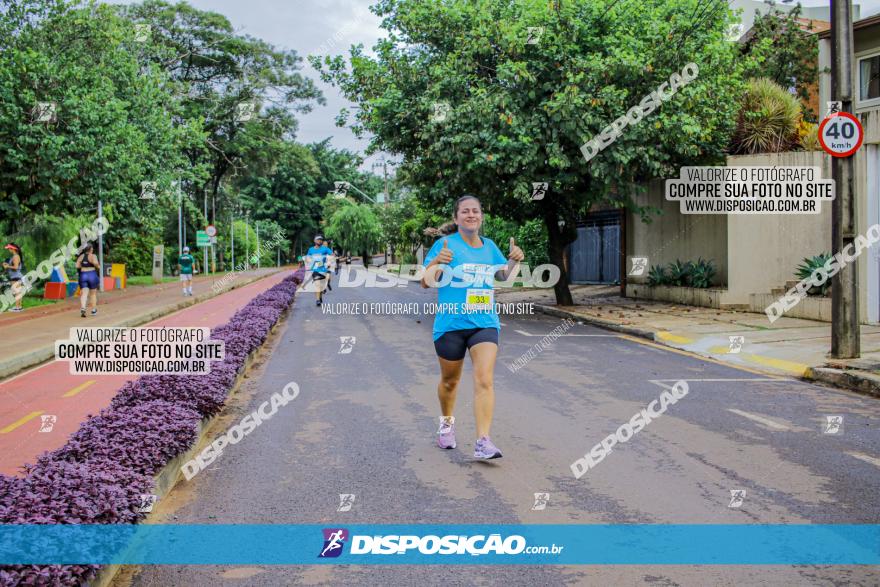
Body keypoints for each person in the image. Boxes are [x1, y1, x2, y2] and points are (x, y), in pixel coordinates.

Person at [421, 194, 524, 460]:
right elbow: (425, 282)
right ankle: (446, 424)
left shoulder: (489, 247)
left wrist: (515, 260)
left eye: (475, 211)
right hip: (451, 323)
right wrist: (436, 263)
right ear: (456, 218)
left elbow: (504, 277)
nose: (471, 215)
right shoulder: (444, 244)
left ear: (481, 217)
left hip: (484, 323)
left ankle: (483, 441)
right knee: (450, 381)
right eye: (465, 211)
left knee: (484, 379)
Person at [304, 235, 333, 306]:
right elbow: (307, 258)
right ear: (315, 241)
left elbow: (332, 255)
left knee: (321, 286)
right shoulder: (311, 249)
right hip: (315, 270)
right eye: (318, 239)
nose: (320, 241)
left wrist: (329, 260)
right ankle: (317, 300)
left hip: (323, 270)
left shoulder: (325, 249)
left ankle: (320, 296)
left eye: (321, 240)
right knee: (317, 284)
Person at [75, 243, 100, 318]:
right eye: (92, 248)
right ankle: (93, 310)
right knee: (93, 294)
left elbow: (77, 266)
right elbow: (96, 263)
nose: (92, 249)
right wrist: (96, 265)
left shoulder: (81, 256)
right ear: (90, 249)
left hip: (83, 275)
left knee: (84, 293)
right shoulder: (93, 256)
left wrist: (83, 264)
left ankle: (83, 308)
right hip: (91, 274)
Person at [2, 243, 24, 312]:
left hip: (15, 276)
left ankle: (17, 307)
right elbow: (14, 266)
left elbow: (16, 267)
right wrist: (8, 265)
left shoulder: (15, 256)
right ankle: (19, 307)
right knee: (18, 292)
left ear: (13, 249)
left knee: (16, 292)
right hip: (16, 276)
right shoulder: (15, 256)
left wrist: (7, 266)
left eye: (9, 248)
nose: (8, 250)